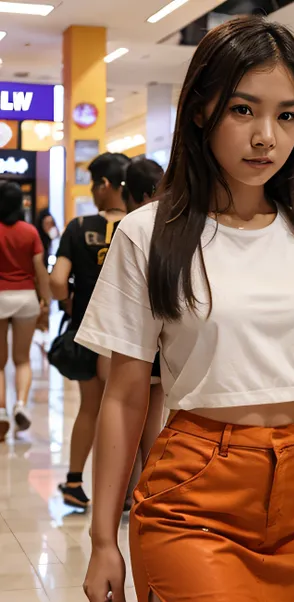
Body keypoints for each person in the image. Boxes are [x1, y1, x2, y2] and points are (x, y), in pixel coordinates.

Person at [78, 17, 294, 602]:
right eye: (244, 109)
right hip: (194, 496)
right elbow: (123, 395)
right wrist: (101, 540)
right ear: (202, 109)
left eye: (287, 115)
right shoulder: (150, 234)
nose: (266, 135)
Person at [50, 152, 130, 509]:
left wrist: (67, 301)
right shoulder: (141, 225)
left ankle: (73, 482)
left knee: (90, 408)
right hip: (130, 335)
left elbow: (55, 281)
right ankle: (124, 490)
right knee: (128, 411)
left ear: (105, 185)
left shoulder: (78, 227)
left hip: (87, 329)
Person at [122, 157, 166, 512]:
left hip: (127, 336)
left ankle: (129, 489)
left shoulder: (133, 226)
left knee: (124, 412)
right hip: (165, 341)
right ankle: (149, 488)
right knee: (153, 417)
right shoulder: (174, 227)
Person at [0, 181, 50, 440]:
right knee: (22, 359)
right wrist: (46, 300)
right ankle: (20, 404)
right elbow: (40, 270)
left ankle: (0, 412)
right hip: (25, 297)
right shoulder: (30, 232)